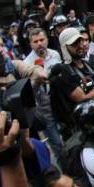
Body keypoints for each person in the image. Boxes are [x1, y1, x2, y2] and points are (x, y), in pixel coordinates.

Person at [49, 28, 94, 130]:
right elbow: (84, 101)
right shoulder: (64, 72)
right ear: (65, 47)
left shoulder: (87, 64)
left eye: (80, 41)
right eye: (74, 44)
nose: (80, 46)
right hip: (82, 127)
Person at [22, 28, 64, 165]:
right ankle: (66, 171)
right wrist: (36, 82)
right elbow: (28, 92)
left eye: (42, 40)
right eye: (35, 41)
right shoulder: (27, 64)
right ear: (30, 44)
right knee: (57, 144)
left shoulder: (55, 54)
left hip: (61, 103)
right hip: (44, 109)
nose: (39, 43)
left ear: (47, 39)